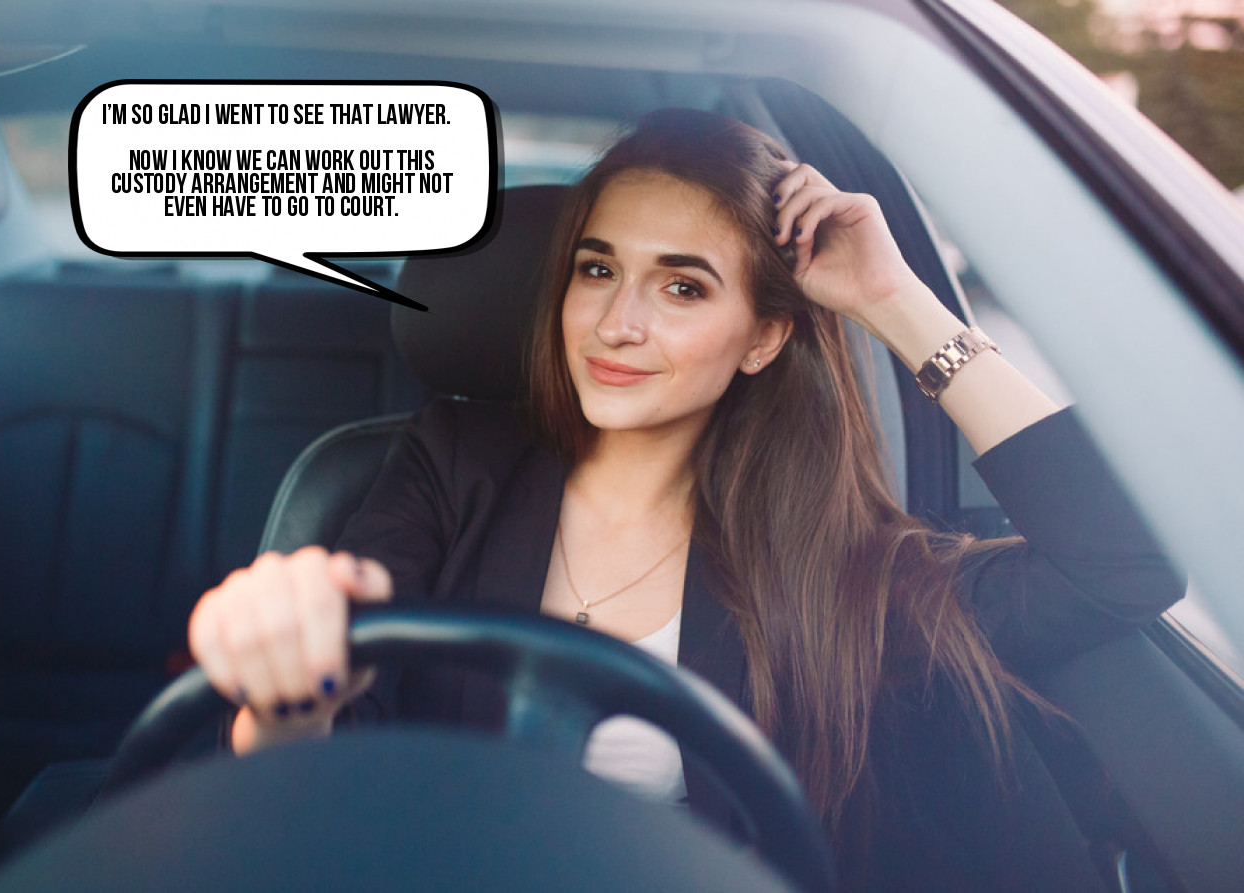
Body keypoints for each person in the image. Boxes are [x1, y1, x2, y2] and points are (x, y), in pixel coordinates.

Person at [187, 109, 1182, 889]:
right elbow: (318, 753)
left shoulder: (830, 561)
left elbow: (1121, 564)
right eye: (595, 269)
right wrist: (282, 685)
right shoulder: (454, 460)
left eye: (681, 287)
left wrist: (895, 301)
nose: (616, 322)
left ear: (761, 337)